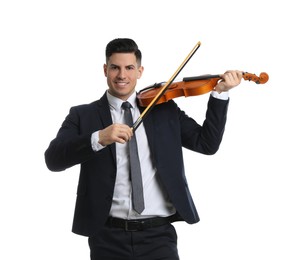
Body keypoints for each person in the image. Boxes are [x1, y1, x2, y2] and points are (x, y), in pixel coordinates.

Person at [44, 38, 242, 260]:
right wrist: (99, 138)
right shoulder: (82, 115)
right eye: (115, 67)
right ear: (105, 70)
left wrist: (220, 94)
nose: (122, 75)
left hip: (158, 237)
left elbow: (207, 144)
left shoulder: (163, 109)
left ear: (140, 71)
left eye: (129, 68)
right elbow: (53, 159)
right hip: (107, 237)